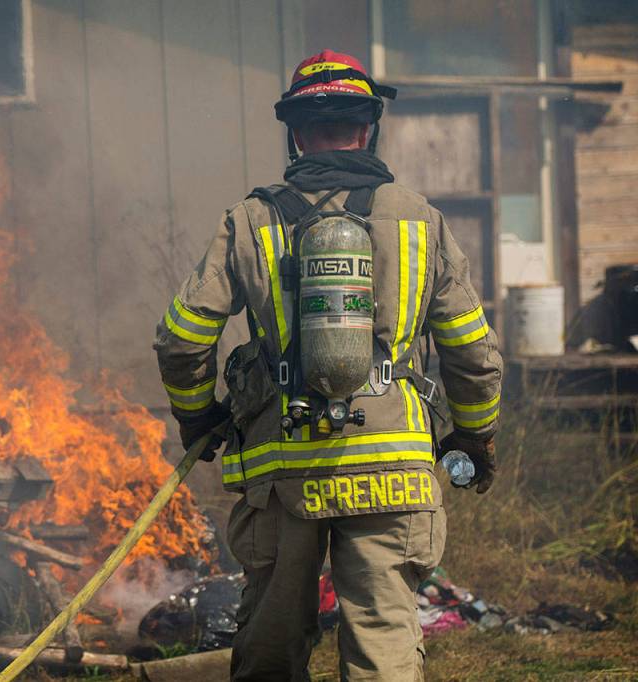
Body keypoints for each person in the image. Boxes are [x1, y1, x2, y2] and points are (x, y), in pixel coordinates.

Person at [154, 50, 503, 681]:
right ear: (368, 129)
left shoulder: (251, 220)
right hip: (391, 469)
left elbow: (182, 338)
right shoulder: (420, 221)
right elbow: (472, 353)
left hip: (281, 474)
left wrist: (198, 416)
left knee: (269, 646)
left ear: (295, 134)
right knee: (383, 643)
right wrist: (473, 436)